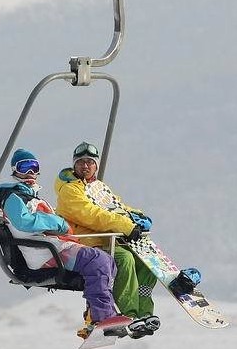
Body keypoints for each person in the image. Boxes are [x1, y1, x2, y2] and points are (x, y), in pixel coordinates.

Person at [0, 148, 123, 336]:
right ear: (15, 170)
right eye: (25, 167)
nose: (30, 173)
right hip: (45, 254)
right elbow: (23, 221)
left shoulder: (29, 195)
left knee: (107, 261)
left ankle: (96, 316)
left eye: (34, 167)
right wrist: (58, 222)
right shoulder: (12, 197)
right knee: (98, 261)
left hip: (53, 248)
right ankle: (103, 317)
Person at [54, 141, 160, 338]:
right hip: (86, 243)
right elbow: (91, 214)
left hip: (107, 239)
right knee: (124, 259)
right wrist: (126, 226)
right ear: (74, 165)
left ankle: (145, 311)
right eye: (81, 162)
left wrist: (136, 216)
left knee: (146, 263)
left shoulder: (97, 187)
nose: (85, 166)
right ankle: (130, 314)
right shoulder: (70, 191)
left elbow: (115, 206)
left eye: (89, 162)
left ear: (96, 165)